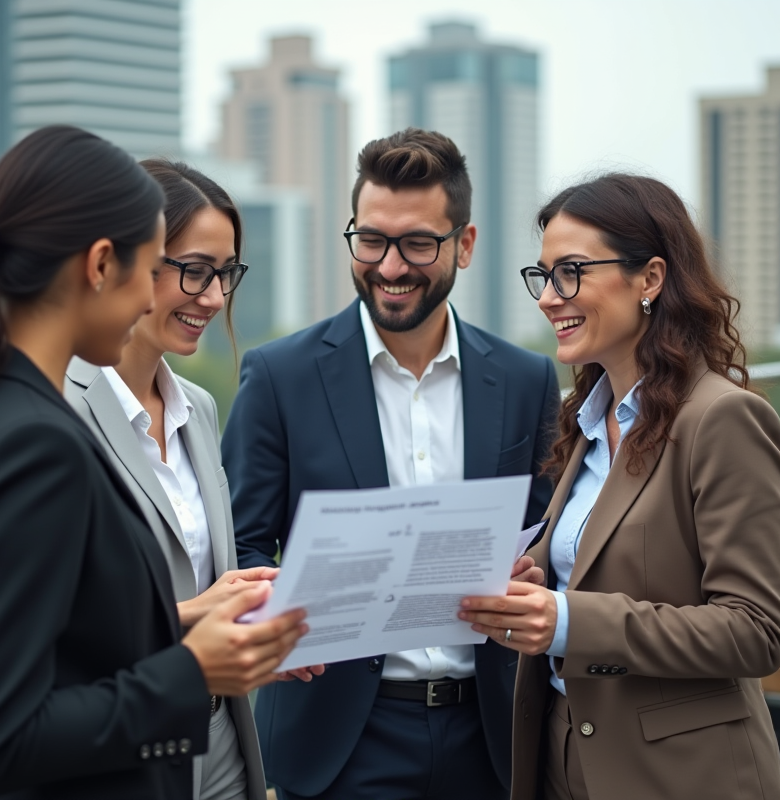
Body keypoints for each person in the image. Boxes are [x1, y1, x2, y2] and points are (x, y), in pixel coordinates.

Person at [0, 126, 307, 800]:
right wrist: (192, 673)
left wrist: (197, 626)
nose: (149, 300)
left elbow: (53, 648)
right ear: (101, 264)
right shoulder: (36, 447)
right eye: (153, 268)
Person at [221, 128, 560, 800]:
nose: (391, 265)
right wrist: (275, 618)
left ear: (463, 245)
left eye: (417, 244)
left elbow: (543, 539)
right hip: (337, 741)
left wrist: (531, 571)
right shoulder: (278, 375)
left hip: (490, 736)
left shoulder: (527, 380)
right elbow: (243, 547)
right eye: (371, 240)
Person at [458, 173, 780, 800]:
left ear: (651, 279)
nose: (548, 298)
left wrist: (565, 620)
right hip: (562, 755)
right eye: (543, 276)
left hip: (682, 775)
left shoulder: (721, 419)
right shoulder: (590, 416)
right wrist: (533, 577)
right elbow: (595, 562)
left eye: (572, 272)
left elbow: (756, 629)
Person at [64, 158, 303, 800]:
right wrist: (199, 617)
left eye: (226, 274)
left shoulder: (199, 408)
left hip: (221, 742)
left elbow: (208, 577)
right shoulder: (59, 412)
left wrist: (264, 628)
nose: (215, 297)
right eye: (195, 271)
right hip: (123, 752)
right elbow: (58, 627)